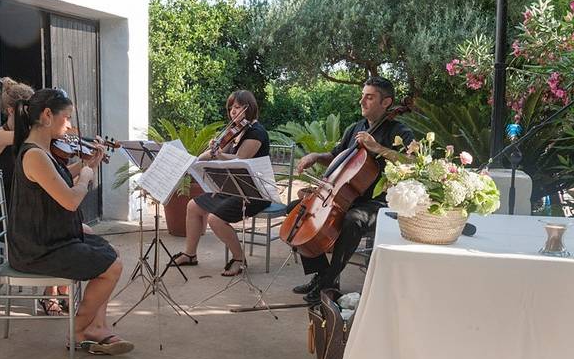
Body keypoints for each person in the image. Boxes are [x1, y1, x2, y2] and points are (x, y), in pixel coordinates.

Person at [6, 88, 133, 355]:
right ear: (48, 115)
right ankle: (79, 330)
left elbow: (57, 178)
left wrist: (88, 165)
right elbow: (71, 201)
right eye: (67, 118)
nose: (71, 125)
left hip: (48, 236)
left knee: (110, 253)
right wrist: (86, 176)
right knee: (111, 267)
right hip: (38, 249)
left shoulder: (41, 151)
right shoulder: (35, 155)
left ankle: (97, 326)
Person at [290, 77, 414, 304]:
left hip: (378, 202)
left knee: (351, 221)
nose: (362, 101)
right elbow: (336, 157)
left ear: (386, 102)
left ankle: (328, 282)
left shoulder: (399, 131)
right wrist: (316, 156)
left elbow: (414, 162)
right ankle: (321, 274)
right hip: (345, 196)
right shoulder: (354, 129)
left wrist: (377, 148)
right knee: (298, 214)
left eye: (369, 97)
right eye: (362, 96)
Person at [170, 90, 271, 276]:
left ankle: (239, 258)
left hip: (254, 192)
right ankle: (190, 254)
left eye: (238, 107)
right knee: (193, 206)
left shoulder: (256, 132)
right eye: (231, 107)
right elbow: (215, 154)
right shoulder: (235, 131)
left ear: (249, 108)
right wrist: (199, 158)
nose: (233, 111)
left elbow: (240, 160)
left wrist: (220, 154)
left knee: (215, 219)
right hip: (233, 188)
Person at [0, 77, 34, 198]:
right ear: (11, 111)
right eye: (27, 112)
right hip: (12, 207)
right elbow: (21, 136)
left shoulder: (31, 134)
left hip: (26, 202)